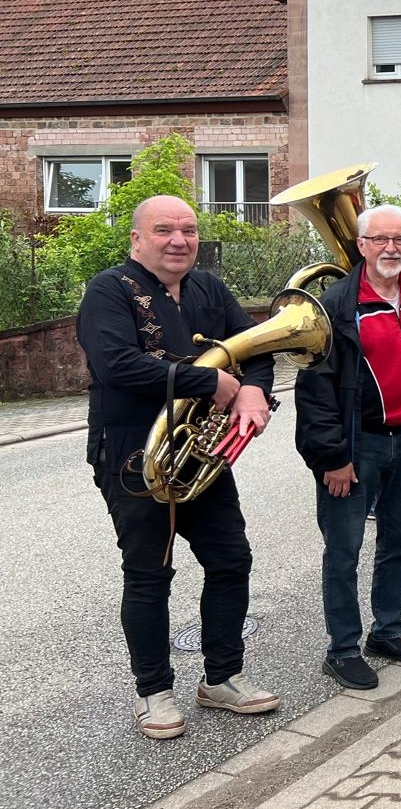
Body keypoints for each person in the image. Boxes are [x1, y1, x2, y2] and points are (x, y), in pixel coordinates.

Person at [77, 195, 279, 739]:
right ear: (137, 239)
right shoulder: (109, 290)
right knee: (149, 575)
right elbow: (116, 365)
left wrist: (255, 391)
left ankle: (222, 677)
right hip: (130, 455)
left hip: (200, 454)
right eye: (164, 229)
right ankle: (154, 691)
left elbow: (255, 346)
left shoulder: (209, 288)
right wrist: (211, 382)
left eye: (188, 230)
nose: (178, 240)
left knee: (232, 559)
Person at [295, 205, 401, 690]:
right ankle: (341, 649)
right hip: (356, 449)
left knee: (398, 542)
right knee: (344, 551)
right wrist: (332, 458)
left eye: (400, 240)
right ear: (361, 245)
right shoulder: (336, 306)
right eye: (379, 239)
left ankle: (389, 631)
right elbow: (314, 394)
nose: (391, 249)